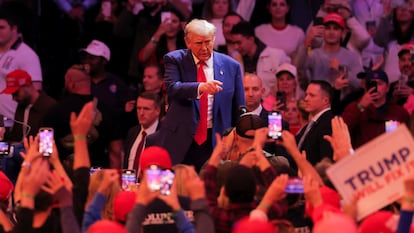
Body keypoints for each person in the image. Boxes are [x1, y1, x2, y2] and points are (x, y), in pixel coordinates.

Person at [147, 19, 245, 171]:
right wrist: (201, 87)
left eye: (208, 42)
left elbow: (238, 108)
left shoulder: (231, 66)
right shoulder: (174, 60)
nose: (205, 48)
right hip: (181, 139)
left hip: (216, 140)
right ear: (188, 42)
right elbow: (173, 87)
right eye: (199, 43)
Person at [80, 39, 134, 168]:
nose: (87, 61)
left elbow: (127, 110)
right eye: (86, 57)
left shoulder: (117, 84)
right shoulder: (81, 82)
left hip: (109, 144)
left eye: (92, 58)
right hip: (83, 139)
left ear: (103, 61)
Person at [342, 70, 409, 148]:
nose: (376, 88)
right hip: (363, 157)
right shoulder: (355, 108)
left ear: (387, 88)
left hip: (389, 156)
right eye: (372, 84)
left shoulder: (398, 112)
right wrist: (360, 106)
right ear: (366, 87)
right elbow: (342, 130)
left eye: (379, 84)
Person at [305, 13, 363, 97]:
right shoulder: (314, 55)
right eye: (328, 28)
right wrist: (307, 42)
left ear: (342, 33)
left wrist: (341, 70)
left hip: (342, 104)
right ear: (323, 31)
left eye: (335, 29)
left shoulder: (351, 56)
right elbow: (300, 75)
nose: (331, 32)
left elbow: (359, 84)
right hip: (317, 104)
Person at [0, 9, 42, 124]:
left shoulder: (26, 55)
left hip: (14, 121)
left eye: (1, 28)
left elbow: (36, 91)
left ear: (14, 29)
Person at [230, 21, 291, 97]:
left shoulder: (277, 56)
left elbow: (291, 86)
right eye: (233, 43)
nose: (236, 47)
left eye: (239, 43)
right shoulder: (234, 59)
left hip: (272, 106)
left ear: (251, 39)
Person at [254, 0, 306, 66]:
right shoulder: (259, 31)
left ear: (287, 8)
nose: (278, 7)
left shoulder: (298, 33)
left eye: (282, 4)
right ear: (269, 8)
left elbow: (302, 59)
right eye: (274, 4)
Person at [295, 80, 334, 165]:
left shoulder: (328, 123)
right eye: (306, 95)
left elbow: (326, 161)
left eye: (312, 95)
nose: (306, 99)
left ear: (325, 101)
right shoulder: (313, 124)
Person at [123, 92, 162, 170]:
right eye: (138, 108)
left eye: (146, 109)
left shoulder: (164, 135)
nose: (141, 113)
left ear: (157, 111)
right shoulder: (132, 132)